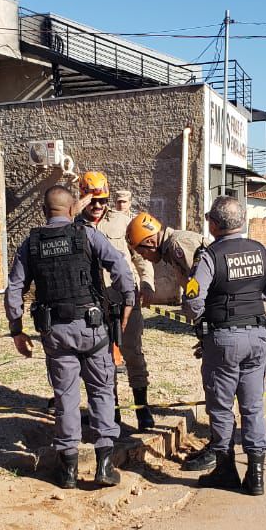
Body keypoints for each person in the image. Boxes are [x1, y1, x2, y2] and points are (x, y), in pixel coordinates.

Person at [7, 184, 137, 490]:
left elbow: (15, 289)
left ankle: (67, 470)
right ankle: (104, 464)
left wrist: (16, 330)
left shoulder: (31, 243)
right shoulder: (87, 235)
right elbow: (119, 266)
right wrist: (128, 299)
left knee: (65, 397)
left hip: (55, 334)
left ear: (43, 212)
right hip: (93, 330)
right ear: (71, 209)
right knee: (102, 391)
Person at [183, 196, 266, 495]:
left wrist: (202, 314)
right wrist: (254, 301)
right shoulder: (261, 251)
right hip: (257, 337)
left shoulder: (209, 256)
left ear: (214, 224)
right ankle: (256, 476)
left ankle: (226, 471)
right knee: (253, 407)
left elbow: (193, 300)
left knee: (220, 407)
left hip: (223, 340)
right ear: (242, 222)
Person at [126, 211, 220, 471]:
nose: (143, 257)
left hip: (219, 320)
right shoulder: (173, 247)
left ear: (150, 242)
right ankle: (220, 445)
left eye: (141, 251)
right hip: (213, 321)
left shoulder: (179, 246)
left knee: (217, 388)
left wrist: (203, 321)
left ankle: (219, 449)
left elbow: (199, 285)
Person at [74, 171, 156, 431]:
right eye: (91, 201)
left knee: (132, 352)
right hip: (93, 303)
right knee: (101, 359)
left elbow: (141, 255)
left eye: (102, 201)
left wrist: (147, 282)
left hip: (124, 300)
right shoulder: (73, 226)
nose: (97, 207)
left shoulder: (122, 222)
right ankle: (113, 412)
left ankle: (142, 410)